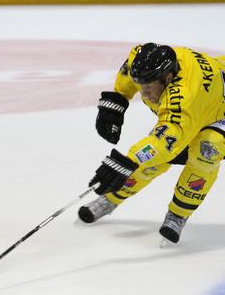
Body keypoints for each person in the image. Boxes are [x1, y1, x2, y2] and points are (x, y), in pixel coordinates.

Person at [79, 43, 225, 244]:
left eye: (149, 86)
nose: (145, 93)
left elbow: (165, 143)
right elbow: (130, 66)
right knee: (150, 160)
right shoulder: (146, 62)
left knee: (206, 153)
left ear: (169, 78)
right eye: (141, 85)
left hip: (219, 113)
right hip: (206, 99)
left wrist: (126, 162)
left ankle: (178, 214)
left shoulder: (184, 97)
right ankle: (110, 199)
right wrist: (118, 100)